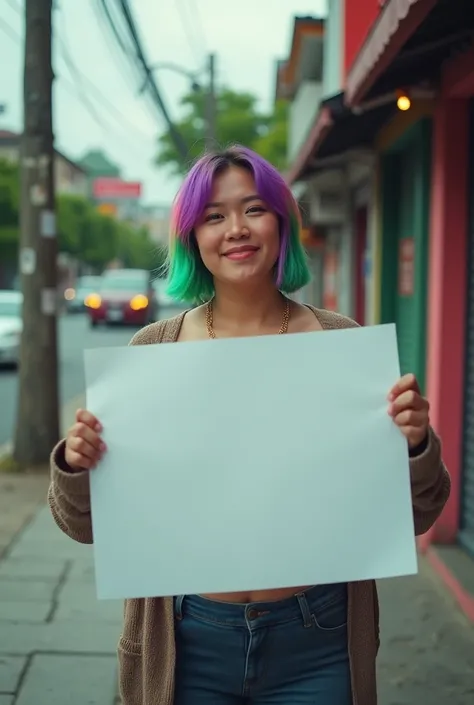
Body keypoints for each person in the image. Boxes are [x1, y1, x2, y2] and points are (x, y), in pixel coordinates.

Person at [48, 145, 450, 705]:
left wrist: (413, 445)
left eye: (254, 208)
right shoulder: (150, 353)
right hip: (186, 640)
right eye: (214, 216)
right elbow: (84, 525)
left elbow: (419, 511)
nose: (236, 229)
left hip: (318, 636)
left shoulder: (341, 345)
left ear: (282, 223)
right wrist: (76, 461)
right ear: (193, 238)